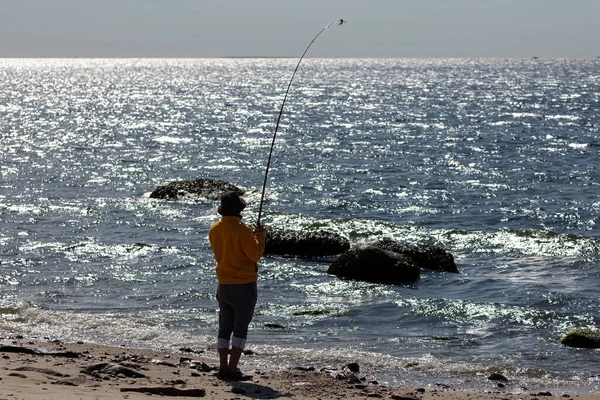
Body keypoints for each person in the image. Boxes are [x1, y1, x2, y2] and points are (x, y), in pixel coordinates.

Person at [208, 191, 266, 381]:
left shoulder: (214, 228)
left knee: (224, 327)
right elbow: (255, 255)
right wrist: (260, 235)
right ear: (239, 210)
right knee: (240, 328)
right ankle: (233, 369)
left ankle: (223, 367)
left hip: (223, 285)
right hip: (243, 285)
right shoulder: (242, 230)